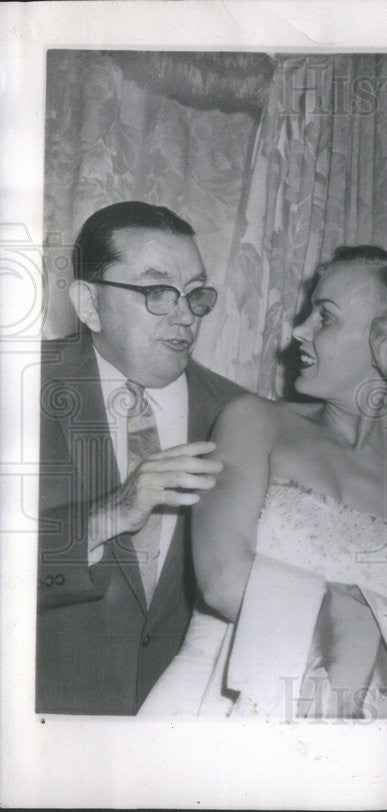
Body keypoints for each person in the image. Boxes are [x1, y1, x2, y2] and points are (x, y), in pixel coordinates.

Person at [139, 246, 387, 720]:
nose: (298, 331)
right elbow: (224, 582)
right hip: (212, 706)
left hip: (348, 725)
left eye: (324, 318)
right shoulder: (253, 422)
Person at [36, 201, 245, 715]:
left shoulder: (240, 416)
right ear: (89, 303)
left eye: (194, 294)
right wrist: (107, 515)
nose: (184, 316)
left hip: (183, 737)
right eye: (157, 292)